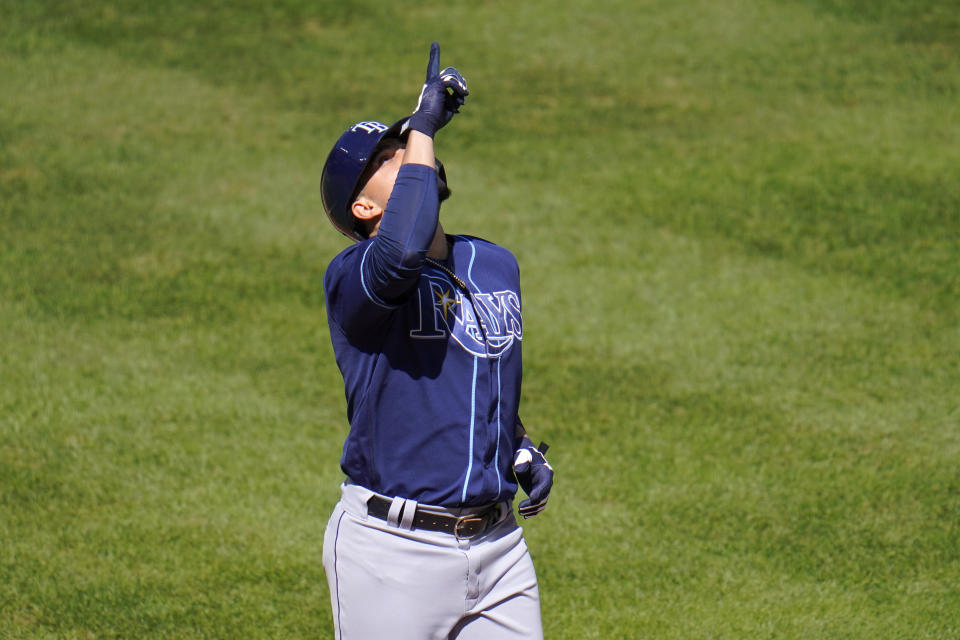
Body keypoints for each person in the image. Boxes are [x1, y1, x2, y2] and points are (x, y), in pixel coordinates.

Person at [318, 43, 555, 640]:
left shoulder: (493, 263)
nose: (413, 153)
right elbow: (403, 246)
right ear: (365, 206)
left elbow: (475, 366)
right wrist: (422, 123)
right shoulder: (359, 275)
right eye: (390, 156)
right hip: (390, 556)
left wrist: (517, 445)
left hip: (498, 549)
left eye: (409, 145)